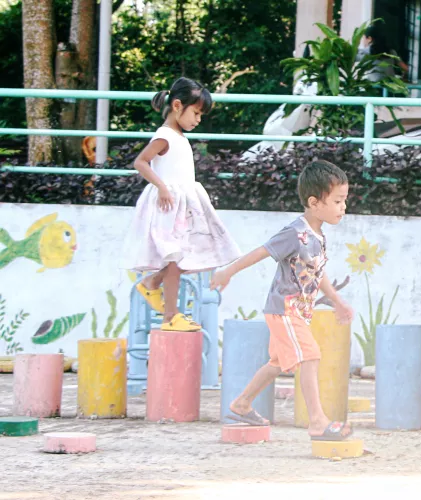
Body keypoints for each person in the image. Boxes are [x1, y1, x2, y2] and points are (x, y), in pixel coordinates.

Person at [210, 160, 355, 440]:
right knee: (310, 355)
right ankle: (317, 421)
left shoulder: (318, 236)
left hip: (298, 312)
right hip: (285, 309)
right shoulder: (295, 233)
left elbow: (317, 273)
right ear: (314, 202)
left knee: (277, 363)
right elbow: (261, 252)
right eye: (338, 201)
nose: (343, 207)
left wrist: (337, 300)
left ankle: (241, 404)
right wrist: (228, 271)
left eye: (344, 200)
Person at [124, 77, 241, 331]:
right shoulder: (165, 136)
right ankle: (170, 315)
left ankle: (153, 284)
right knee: (177, 259)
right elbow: (141, 162)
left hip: (182, 205)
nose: (198, 119)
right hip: (169, 206)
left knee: (186, 258)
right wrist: (162, 186)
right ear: (177, 105)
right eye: (196, 113)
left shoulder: (178, 136)